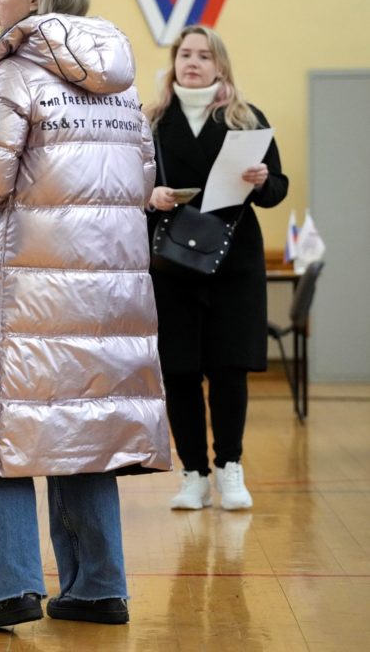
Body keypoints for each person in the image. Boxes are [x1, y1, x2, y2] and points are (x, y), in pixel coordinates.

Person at [0, 0, 171, 630]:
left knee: (3, 432)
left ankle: (14, 585)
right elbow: (140, 180)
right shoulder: (122, 83)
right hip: (107, 288)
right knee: (86, 432)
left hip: (26, 283)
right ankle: (98, 588)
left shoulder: (17, 70)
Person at [145, 25, 288, 511]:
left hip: (234, 262)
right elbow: (126, 186)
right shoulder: (152, 120)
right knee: (180, 372)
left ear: (220, 64)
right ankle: (193, 474)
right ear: (174, 61)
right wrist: (150, 197)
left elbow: (277, 189)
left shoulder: (246, 119)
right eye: (185, 54)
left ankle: (230, 467)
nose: (193, 62)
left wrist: (263, 180)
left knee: (229, 370)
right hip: (172, 263)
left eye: (204, 55)